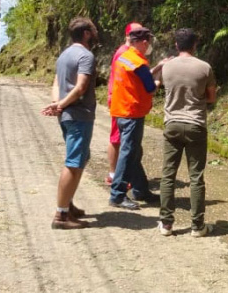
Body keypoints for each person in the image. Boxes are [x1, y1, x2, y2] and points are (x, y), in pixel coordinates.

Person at [157, 28, 217, 238]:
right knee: (196, 177)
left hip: (172, 124)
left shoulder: (167, 67)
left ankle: (166, 224)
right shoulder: (205, 68)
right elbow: (211, 98)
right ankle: (197, 226)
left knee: (168, 175)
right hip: (195, 125)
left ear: (176, 45)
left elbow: (161, 87)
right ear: (195, 45)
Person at [40, 17, 98, 230]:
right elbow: (81, 86)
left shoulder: (64, 55)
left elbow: (56, 82)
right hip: (78, 115)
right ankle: (61, 215)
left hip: (66, 115)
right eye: (92, 30)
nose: (95, 32)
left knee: (81, 157)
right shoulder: (85, 55)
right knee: (74, 162)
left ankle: (68, 203)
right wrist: (62, 104)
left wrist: (57, 104)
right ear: (86, 34)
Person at [109, 24, 162, 209]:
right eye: (148, 42)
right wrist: (158, 79)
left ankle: (141, 190)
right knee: (129, 152)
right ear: (144, 42)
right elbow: (150, 87)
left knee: (133, 152)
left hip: (121, 110)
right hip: (132, 112)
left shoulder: (124, 57)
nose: (149, 45)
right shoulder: (139, 62)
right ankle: (117, 194)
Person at [105, 22, 138, 185]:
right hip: (120, 100)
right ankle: (114, 175)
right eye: (136, 32)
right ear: (127, 36)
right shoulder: (123, 53)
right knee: (117, 139)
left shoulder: (127, 52)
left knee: (121, 139)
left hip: (121, 99)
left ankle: (119, 173)